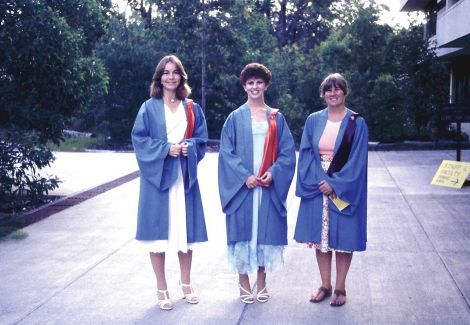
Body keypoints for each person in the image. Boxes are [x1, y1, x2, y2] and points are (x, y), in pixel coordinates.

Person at [131, 55, 208, 311]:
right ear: (159, 77)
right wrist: (166, 149)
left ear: (181, 77)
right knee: (158, 236)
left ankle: (186, 284)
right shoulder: (149, 107)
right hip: (158, 179)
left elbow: (201, 139)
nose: (171, 76)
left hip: (184, 177)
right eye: (166, 72)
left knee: (185, 232)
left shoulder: (192, 108)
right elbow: (139, 140)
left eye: (175, 72)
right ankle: (161, 287)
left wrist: (188, 147)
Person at [218, 63, 296, 304]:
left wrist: (273, 173)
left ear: (266, 85)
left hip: (266, 185)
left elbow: (287, 152)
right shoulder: (234, 117)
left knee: (263, 233)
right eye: (250, 83)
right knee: (243, 232)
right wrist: (244, 176)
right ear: (244, 86)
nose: (255, 86)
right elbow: (226, 153)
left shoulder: (276, 117)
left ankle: (261, 283)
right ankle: (243, 283)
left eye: (259, 82)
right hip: (244, 187)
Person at [294, 73, 368, 307]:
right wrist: (320, 181)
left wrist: (334, 184)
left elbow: (358, 160)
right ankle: (325, 285)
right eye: (328, 89)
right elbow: (306, 153)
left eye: (337, 89)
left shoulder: (357, 123)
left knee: (344, 238)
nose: (333, 93)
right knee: (320, 240)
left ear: (345, 92)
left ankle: (340, 287)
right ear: (323, 93)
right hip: (318, 185)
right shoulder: (313, 120)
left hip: (344, 186)